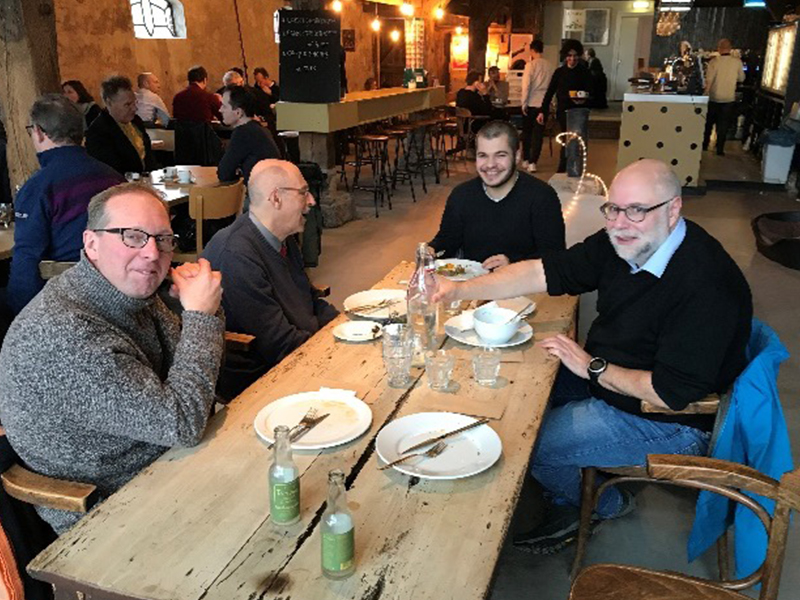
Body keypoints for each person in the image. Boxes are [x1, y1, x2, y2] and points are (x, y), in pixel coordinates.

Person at [433, 159, 753, 555]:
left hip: (667, 418)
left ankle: (605, 503)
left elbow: (671, 393)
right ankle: (576, 472)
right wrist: (455, 290)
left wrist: (591, 367)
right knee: (515, 386)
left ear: (673, 210)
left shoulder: (705, 284)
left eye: (636, 210)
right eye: (613, 209)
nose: (619, 223)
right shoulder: (623, 242)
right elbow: (544, 272)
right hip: (611, 379)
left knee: (528, 444)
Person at [0, 183, 225, 534]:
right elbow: (182, 422)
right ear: (91, 244)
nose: (152, 253)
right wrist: (202, 317)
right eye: (133, 236)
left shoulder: (125, 292)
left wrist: (201, 312)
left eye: (163, 238)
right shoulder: (64, 333)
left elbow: (189, 376)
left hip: (168, 459)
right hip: (110, 510)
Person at [202, 159, 338, 399]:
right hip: (262, 376)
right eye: (304, 193)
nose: (311, 202)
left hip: (301, 350)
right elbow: (278, 344)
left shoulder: (283, 236)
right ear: (276, 198)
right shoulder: (237, 255)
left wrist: (344, 327)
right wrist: (332, 350)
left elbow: (309, 297)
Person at [6, 95, 123, 315]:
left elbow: (27, 259)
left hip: (64, 298)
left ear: (39, 132)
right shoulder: (113, 177)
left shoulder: (38, 187)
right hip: (116, 291)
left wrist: (21, 319)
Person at [429, 120, 565, 270]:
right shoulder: (461, 195)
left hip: (524, 287)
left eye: (500, 155)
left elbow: (555, 256)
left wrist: (514, 264)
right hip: (471, 287)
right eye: (483, 155)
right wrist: (431, 250)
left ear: (517, 155)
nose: (490, 164)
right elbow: (447, 240)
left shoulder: (542, 197)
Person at [85, 75, 158, 176]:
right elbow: (110, 170)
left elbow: (148, 157)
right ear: (109, 103)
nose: (134, 109)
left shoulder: (136, 121)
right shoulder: (98, 131)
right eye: (127, 104)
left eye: (134, 103)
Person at [539, 39, 592, 174]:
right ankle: (563, 167)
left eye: (575, 56)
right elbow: (550, 92)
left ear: (579, 56)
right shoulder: (559, 72)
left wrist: (584, 100)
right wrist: (542, 111)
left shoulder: (584, 72)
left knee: (576, 141)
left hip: (579, 111)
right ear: (565, 56)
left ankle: (574, 168)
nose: (572, 59)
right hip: (563, 111)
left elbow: (592, 92)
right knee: (565, 139)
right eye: (569, 55)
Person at [217, 86, 280, 184]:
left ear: (238, 112)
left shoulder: (243, 133)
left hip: (260, 195)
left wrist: (237, 172)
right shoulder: (258, 128)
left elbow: (224, 173)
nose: (220, 110)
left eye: (224, 106)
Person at [703, 39, 744, 156]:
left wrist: (705, 93)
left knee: (709, 124)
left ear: (719, 49)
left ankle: (705, 145)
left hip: (714, 98)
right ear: (730, 48)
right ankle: (719, 148)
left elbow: (709, 80)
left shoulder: (714, 62)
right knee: (723, 125)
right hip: (728, 98)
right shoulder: (737, 62)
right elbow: (742, 78)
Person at [520, 39, 554, 174]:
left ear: (532, 50)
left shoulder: (530, 65)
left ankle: (526, 159)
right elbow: (552, 88)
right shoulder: (550, 66)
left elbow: (526, 85)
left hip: (531, 102)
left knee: (527, 133)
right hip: (544, 104)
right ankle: (534, 162)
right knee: (538, 134)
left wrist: (523, 102)